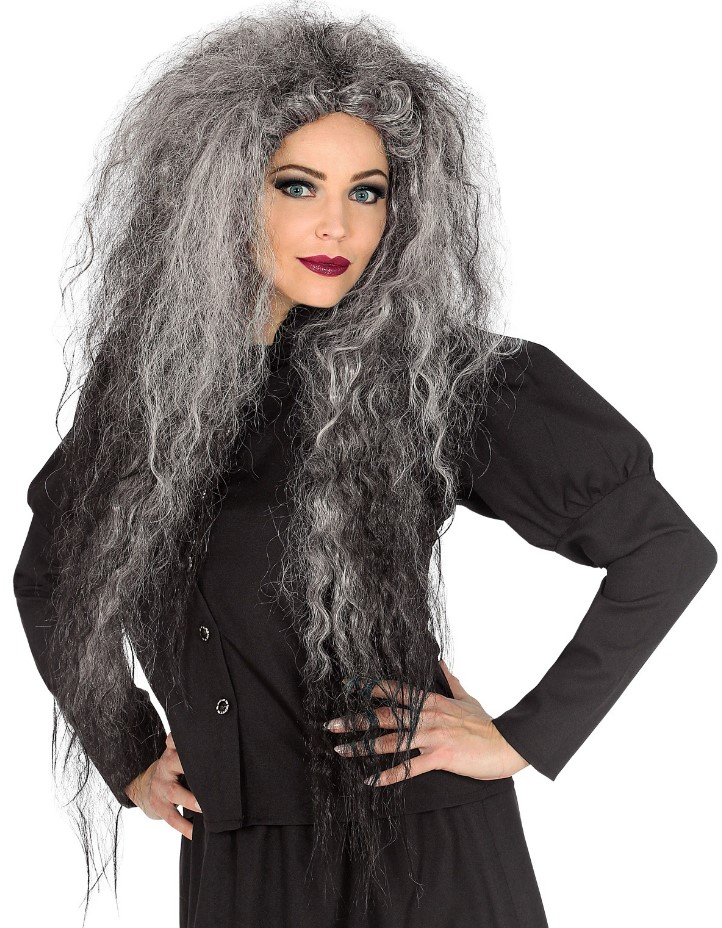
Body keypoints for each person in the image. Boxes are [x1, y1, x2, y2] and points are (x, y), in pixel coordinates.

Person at [12, 4, 717, 927]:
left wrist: (524, 737)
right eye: (297, 186)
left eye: (369, 192)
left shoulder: (441, 378)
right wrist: (130, 751)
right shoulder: (147, 397)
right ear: (218, 191)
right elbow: (53, 577)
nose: (337, 225)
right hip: (237, 857)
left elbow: (664, 550)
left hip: (419, 852)